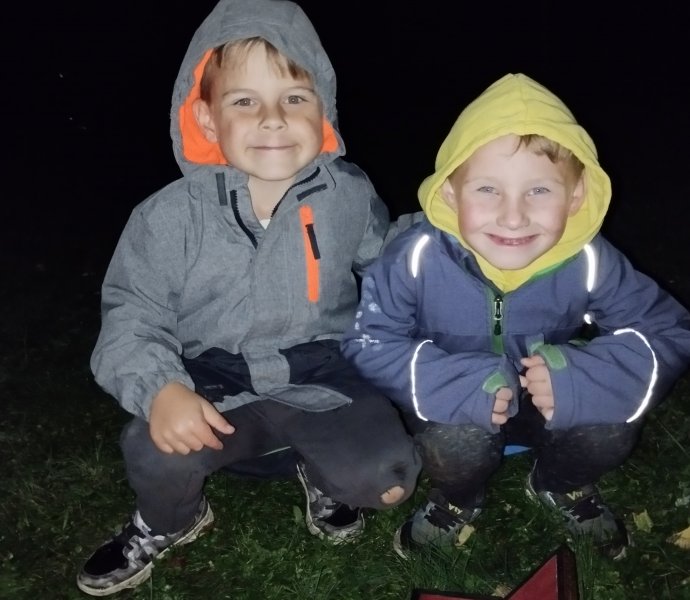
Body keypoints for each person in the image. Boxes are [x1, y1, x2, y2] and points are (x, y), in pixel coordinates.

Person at [76, 0, 421, 595]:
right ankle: (169, 521)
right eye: (244, 101)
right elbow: (132, 314)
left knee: (388, 481)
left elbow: (388, 260)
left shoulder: (348, 193)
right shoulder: (166, 217)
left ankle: (320, 468)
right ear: (206, 118)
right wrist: (162, 389)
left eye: (295, 97)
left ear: (323, 108)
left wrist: (446, 230)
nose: (273, 119)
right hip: (215, 380)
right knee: (154, 450)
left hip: (323, 372)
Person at [341, 73, 690, 561]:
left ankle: (559, 482)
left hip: (547, 406)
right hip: (456, 410)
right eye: (487, 188)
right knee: (453, 446)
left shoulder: (589, 259)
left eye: (539, 190)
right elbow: (367, 341)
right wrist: (455, 383)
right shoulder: (414, 258)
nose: (512, 216)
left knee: (611, 427)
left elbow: (669, 330)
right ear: (449, 193)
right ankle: (458, 498)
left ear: (575, 196)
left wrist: (584, 378)